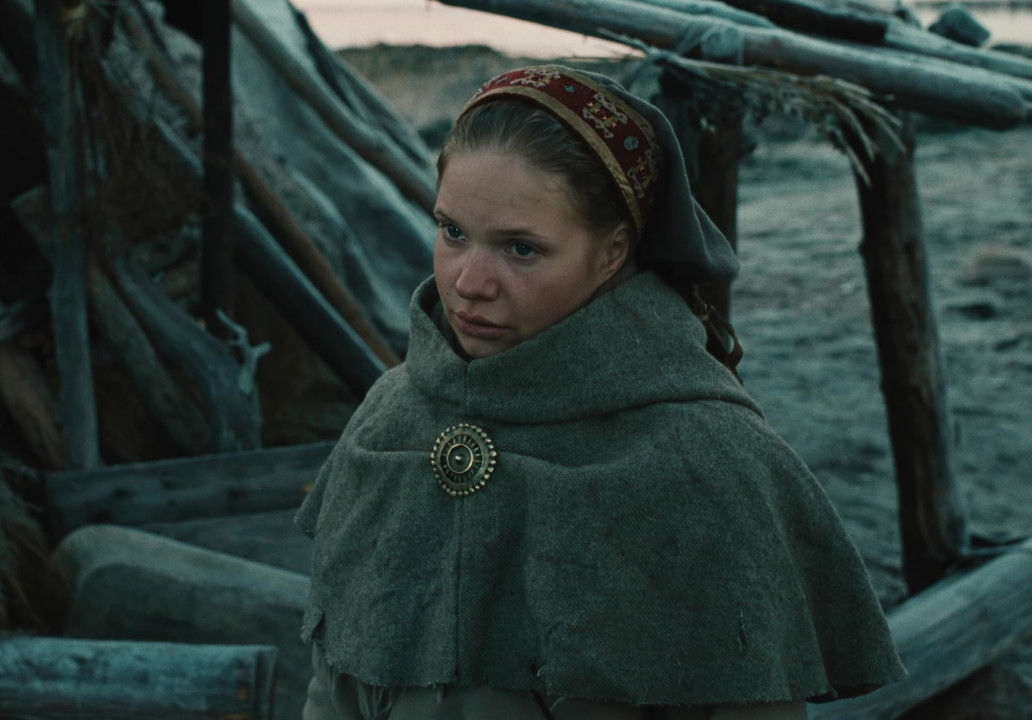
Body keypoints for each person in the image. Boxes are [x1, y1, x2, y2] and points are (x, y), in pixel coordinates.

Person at [294, 65, 905, 720]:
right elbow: (332, 690)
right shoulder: (388, 417)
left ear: (612, 252)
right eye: (453, 232)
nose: (469, 283)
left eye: (521, 249)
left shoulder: (711, 462)